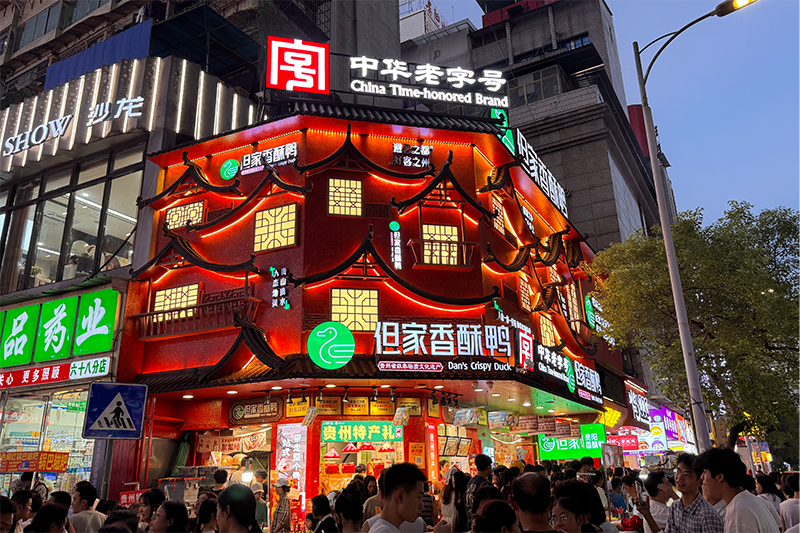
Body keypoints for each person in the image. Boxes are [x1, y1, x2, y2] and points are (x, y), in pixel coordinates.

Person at [696, 447, 779, 533]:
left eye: (705, 472)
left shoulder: (738, 511)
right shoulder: (747, 501)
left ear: (720, 477)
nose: (702, 478)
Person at [636, 453, 724, 533]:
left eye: (687, 474)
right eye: (678, 471)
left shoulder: (707, 515)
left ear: (700, 481)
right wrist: (647, 514)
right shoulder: (675, 507)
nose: (679, 477)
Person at [365, 463, 450, 533]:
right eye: (419, 497)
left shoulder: (387, 528)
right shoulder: (384, 531)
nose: (422, 506)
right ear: (400, 496)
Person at [466, 455, 492, 524]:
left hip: (470, 518)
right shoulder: (484, 484)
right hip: (479, 520)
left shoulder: (471, 481)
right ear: (488, 467)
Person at [440, 469, 467, 533]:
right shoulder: (457, 495)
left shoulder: (444, 492)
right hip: (454, 523)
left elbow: (439, 509)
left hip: (444, 521)